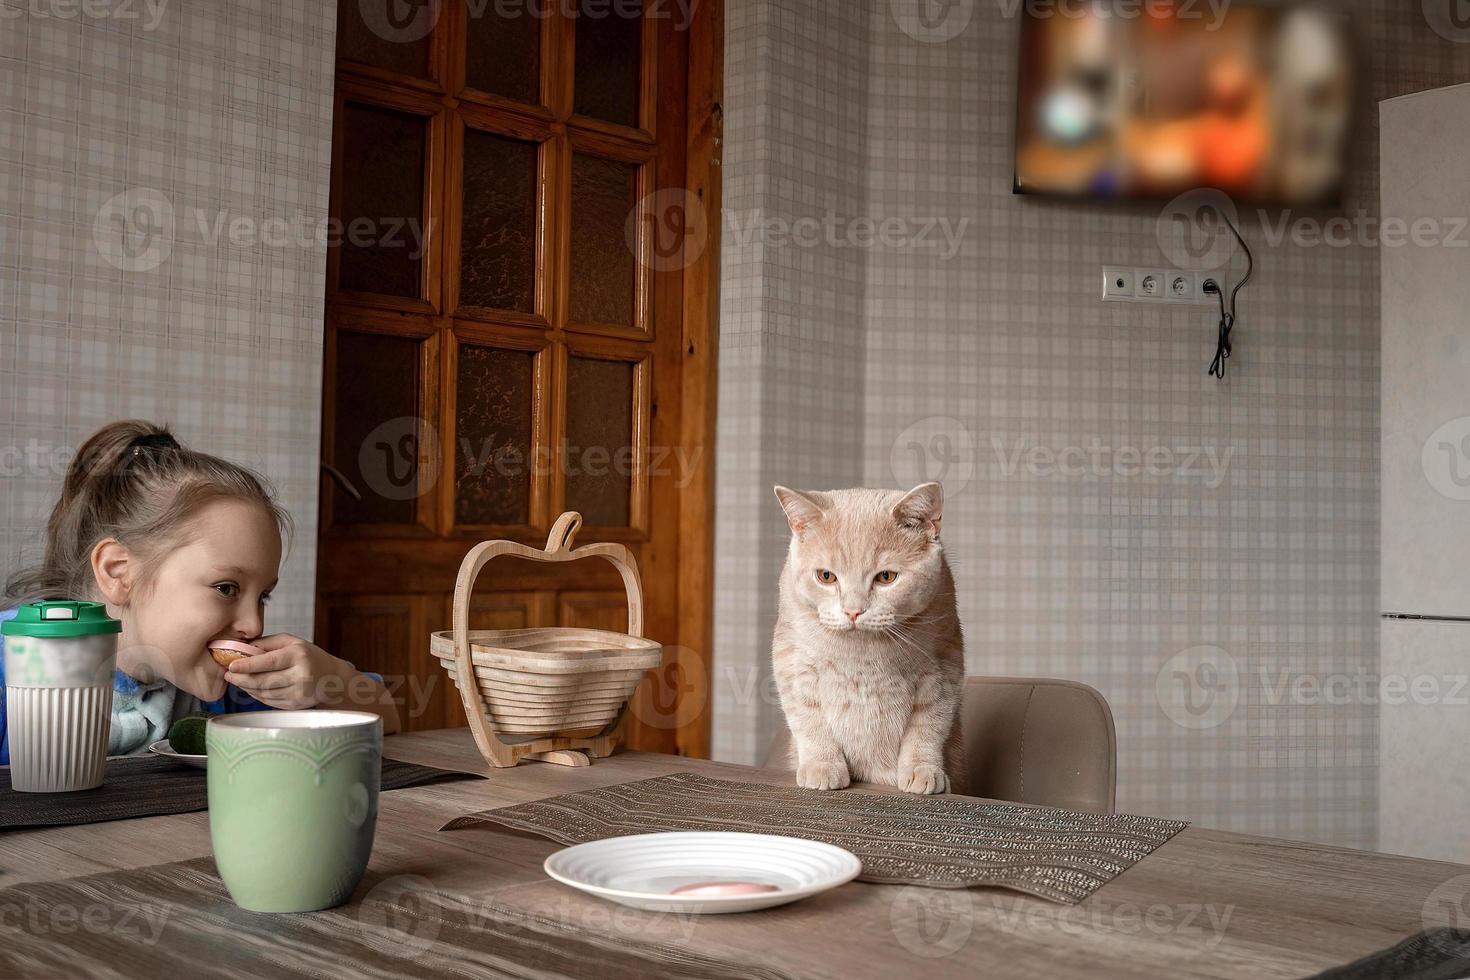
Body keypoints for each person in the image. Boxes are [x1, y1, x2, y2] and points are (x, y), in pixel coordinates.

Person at [0, 420, 400, 761]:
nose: (252, 624)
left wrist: (331, 680)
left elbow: (389, 717)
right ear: (119, 572)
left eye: (262, 596)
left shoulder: (222, 691)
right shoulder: (14, 669)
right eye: (226, 587)